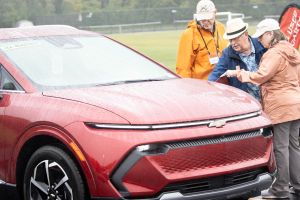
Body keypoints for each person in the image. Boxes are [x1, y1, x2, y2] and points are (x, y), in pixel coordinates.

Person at [222, 18, 300, 199]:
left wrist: (237, 73)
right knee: (294, 146)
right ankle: (297, 185)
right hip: (296, 104)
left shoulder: (273, 53)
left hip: (280, 106)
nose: (260, 41)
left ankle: (280, 188)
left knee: (280, 148)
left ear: (270, 34)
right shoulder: (292, 51)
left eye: (262, 37)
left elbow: (260, 76)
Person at [208, 18, 266, 101]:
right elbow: (215, 75)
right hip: (247, 103)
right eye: (230, 39)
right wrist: (208, 88)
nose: (233, 43)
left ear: (245, 34)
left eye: (236, 38)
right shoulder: (227, 53)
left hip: (269, 99)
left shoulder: (262, 45)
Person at [176, 0, 228, 80]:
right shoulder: (189, 34)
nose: (206, 22)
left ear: (215, 13)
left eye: (208, 18)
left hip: (223, 83)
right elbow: (183, 68)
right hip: (202, 86)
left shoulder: (221, 28)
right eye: (203, 18)